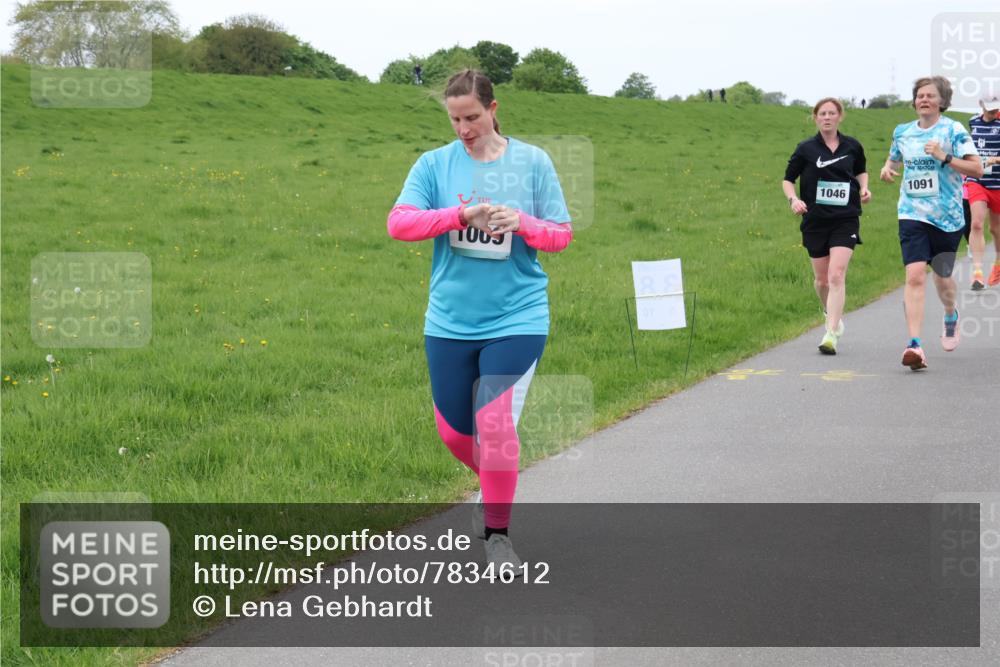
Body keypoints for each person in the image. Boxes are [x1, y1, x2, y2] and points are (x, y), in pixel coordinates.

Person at [387, 69, 572, 571]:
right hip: (449, 319)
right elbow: (398, 223)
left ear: (493, 109)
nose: (464, 128)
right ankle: (496, 480)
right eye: (455, 119)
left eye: (472, 117)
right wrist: (457, 217)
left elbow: (561, 234)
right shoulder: (433, 165)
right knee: (453, 433)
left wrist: (525, 224)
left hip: (518, 314)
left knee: (493, 426)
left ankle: (497, 535)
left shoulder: (532, 162)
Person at [879, 76, 982, 370]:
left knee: (942, 276)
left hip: (947, 218)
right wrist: (888, 168)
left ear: (942, 101)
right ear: (914, 101)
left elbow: (976, 168)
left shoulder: (954, 129)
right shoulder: (903, 132)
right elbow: (895, 158)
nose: (923, 100)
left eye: (930, 96)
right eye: (919, 95)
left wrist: (944, 156)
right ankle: (915, 345)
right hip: (911, 213)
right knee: (914, 276)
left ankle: (950, 314)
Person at [782, 98, 871, 354]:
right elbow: (788, 180)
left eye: (832, 113)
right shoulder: (806, 148)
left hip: (846, 218)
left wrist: (864, 188)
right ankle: (828, 311)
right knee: (821, 280)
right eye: (823, 114)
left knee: (836, 274)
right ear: (816, 118)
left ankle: (831, 333)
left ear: (840, 116)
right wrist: (794, 199)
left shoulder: (852, 146)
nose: (827, 117)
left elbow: (861, 171)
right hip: (815, 220)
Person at [966, 96, 1000, 290]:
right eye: (989, 109)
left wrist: (996, 160)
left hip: (998, 182)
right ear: (981, 106)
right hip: (977, 180)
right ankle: (977, 274)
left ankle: (998, 261)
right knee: (977, 223)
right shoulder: (972, 122)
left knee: (996, 229)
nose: (993, 112)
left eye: (996, 109)